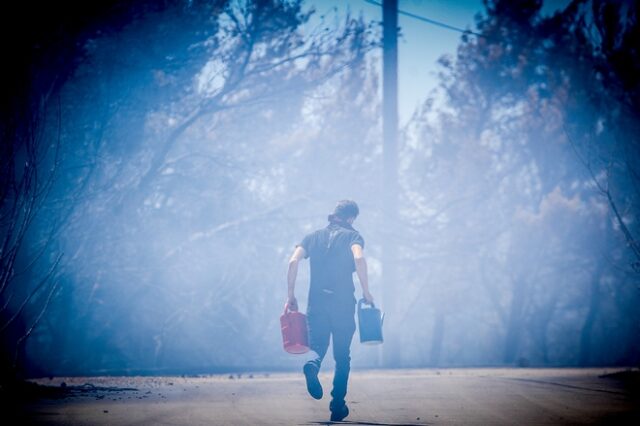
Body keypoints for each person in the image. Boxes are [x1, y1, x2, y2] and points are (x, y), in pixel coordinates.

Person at [286, 200, 374, 422]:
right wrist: (366, 291)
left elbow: (293, 262)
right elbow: (359, 257)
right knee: (342, 356)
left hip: (316, 303)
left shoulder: (312, 237)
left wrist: (290, 296)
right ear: (351, 218)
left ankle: (312, 364)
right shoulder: (354, 237)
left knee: (317, 347)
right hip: (343, 305)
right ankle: (337, 405)